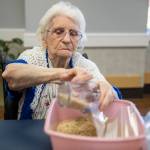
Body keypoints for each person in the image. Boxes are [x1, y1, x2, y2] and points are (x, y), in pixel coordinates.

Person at [2, 1, 121, 120]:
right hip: (32, 129)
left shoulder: (84, 64)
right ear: (44, 38)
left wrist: (107, 89)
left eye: (73, 34)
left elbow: (111, 93)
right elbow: (10, 75)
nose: (67, 39)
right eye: (59, 32)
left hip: (69, 131)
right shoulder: (32, 57)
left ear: (79, 40)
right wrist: (63, 74)